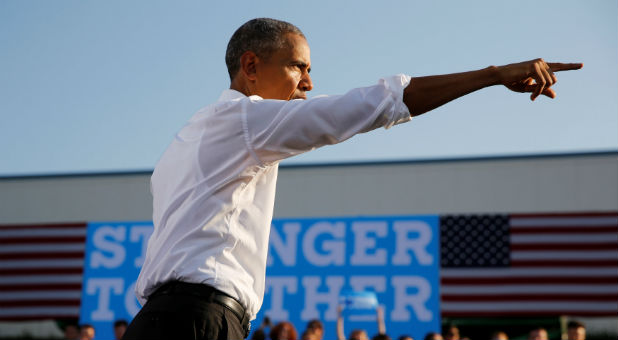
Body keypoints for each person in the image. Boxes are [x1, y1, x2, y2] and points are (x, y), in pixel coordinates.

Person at [122, 17, 582, 340]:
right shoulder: (246, 120)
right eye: (298, 66)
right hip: (199, 321)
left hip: (167, 318)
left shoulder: (186, 140)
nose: (308, 82)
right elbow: (373, 104)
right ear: (250, 67)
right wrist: (492, 74)